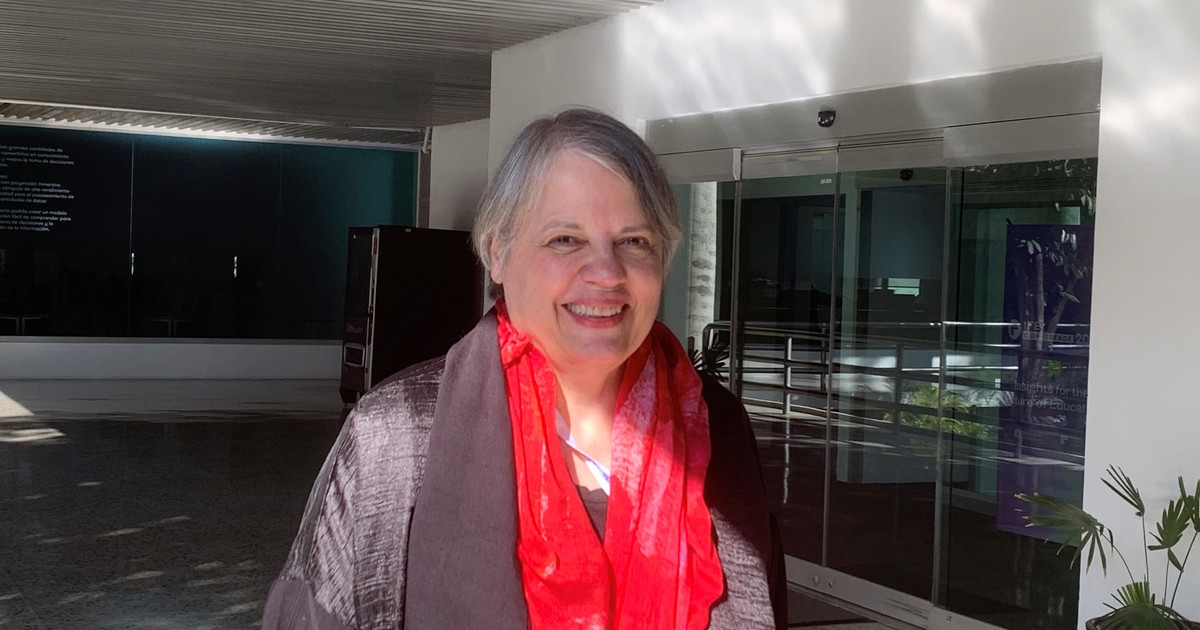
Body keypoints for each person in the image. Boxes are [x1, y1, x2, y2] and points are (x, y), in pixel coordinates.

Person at [262, 108, 787, 630]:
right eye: (565, 239)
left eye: (634, 241)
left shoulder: (717, 427)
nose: (607, 273)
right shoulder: (396, 434)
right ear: (498, 252)